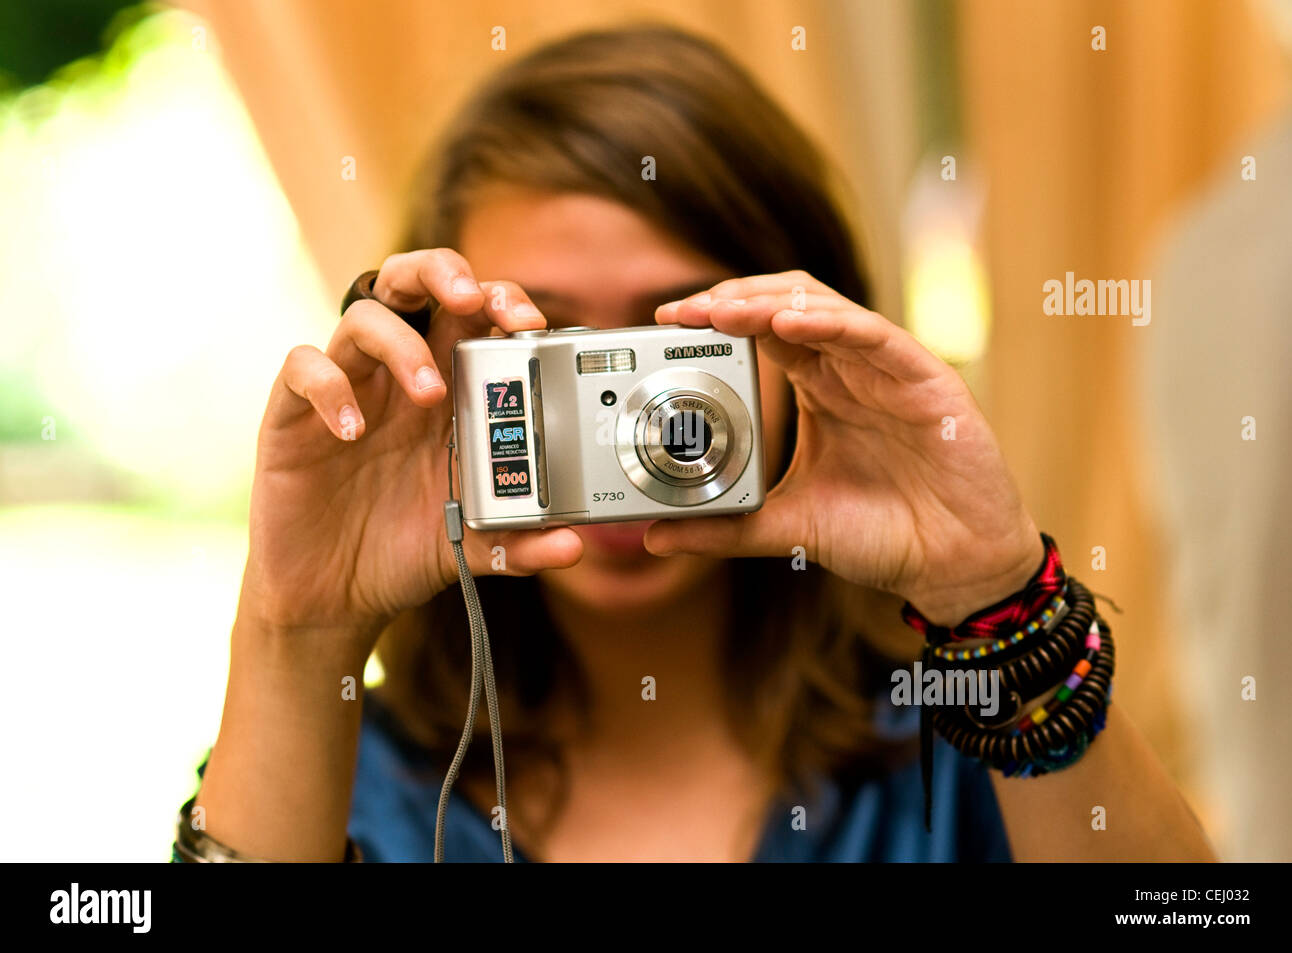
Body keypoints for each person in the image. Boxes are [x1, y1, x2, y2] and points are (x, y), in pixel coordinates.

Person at [177, 25, 1213, 862]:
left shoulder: (963, 739)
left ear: (809, 342)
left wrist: (998, 600)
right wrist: (295, 633)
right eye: (541, 341)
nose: (629, 424)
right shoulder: (350, 774)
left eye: (676, 340)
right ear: (438, 374)